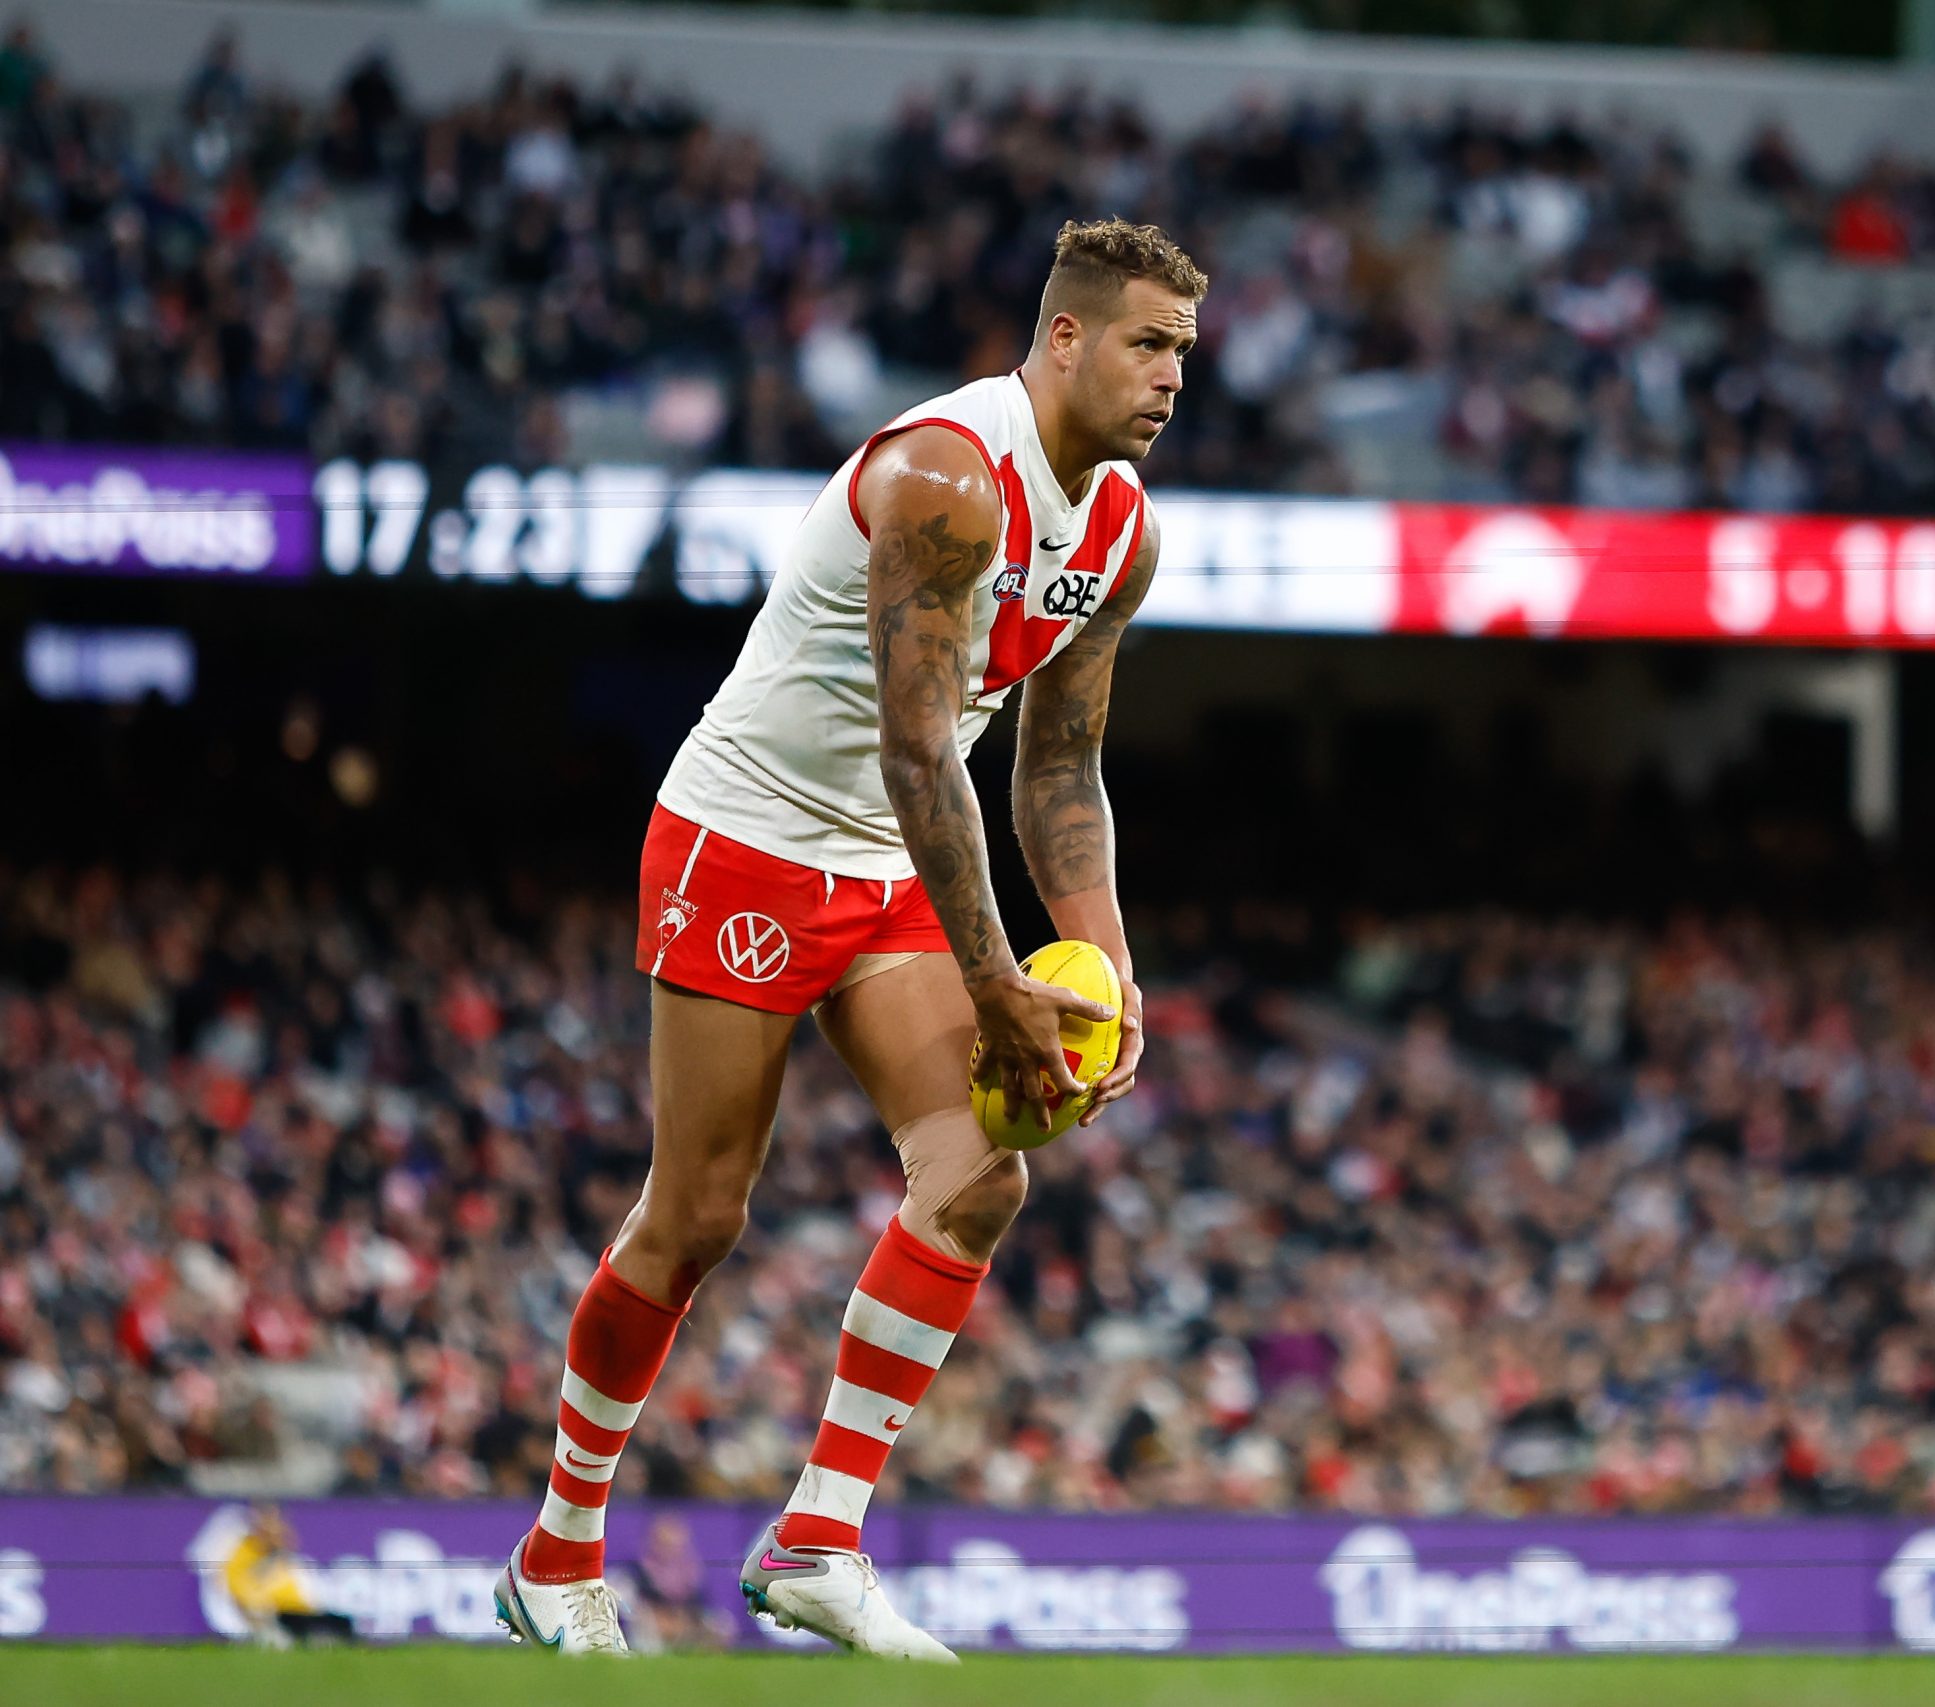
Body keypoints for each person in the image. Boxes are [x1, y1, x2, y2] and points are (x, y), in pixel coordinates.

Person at [491, 218, 1205, 1660]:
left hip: (888, 863)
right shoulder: (949, 474)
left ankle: (818, 1540)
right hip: (747, 840)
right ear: (1062, 338)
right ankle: (554, 1554)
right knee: (694, 1219)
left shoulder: (1118, 531)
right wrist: (999, 972)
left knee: (978, 1176)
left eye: (1184, 351)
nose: (1171, 376)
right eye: (1147, 342)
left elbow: (1059, 769)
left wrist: (1107, 965)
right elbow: (917, 742)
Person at [223, 1506, 355, 1647]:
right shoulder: (244, 1554)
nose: (279, 1533)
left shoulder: (287, 1560)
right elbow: (243, 1598)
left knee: (342, 1625)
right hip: (277, 1616)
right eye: (270, 1527)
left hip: (303, 1613)